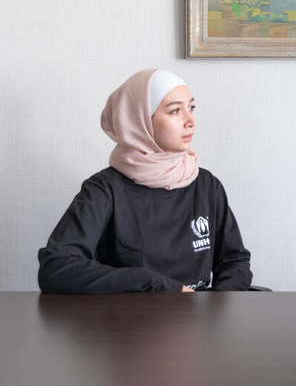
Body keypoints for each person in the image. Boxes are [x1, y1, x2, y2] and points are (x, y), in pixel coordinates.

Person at [38, 69, 253, 293]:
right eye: (175, 111)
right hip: (131, 321)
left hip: (198, 320)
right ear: (139, 120)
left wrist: (219, 306)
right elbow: (56, 268)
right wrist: (156, 285)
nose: (190, 121)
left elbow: (234, 259)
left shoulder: (206, 184)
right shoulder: (104, 189)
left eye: (191, 108)